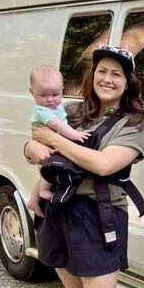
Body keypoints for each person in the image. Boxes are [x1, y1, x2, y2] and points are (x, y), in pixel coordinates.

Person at [24, 45, 144, 288]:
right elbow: (33, 144)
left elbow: (103, 163)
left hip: (99, 216)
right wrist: (32, 147)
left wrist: (54, 140)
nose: (107, 78)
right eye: (102, 71)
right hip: (61, 213)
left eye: (117, 73)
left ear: (128, 82)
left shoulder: (133, 122)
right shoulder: (75, 112)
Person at [26, 65, 91, 217]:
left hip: (49, 144)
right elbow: (58, 126)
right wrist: (76, 135)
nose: (50, 99)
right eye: (43, 95)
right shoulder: (42, 111)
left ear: (62, 89)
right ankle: (43, 191)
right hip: (45, 147)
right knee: (49, 172)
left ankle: (33, 201)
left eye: (55, 94)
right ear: (31, 92)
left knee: (44, 173)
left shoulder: (58, 106)